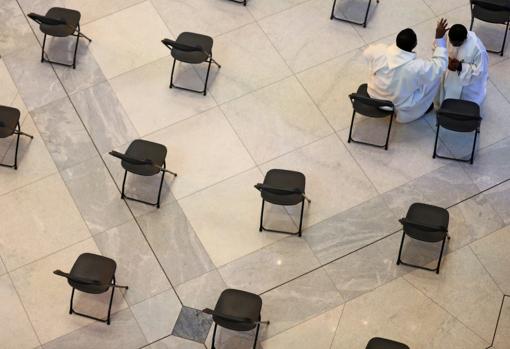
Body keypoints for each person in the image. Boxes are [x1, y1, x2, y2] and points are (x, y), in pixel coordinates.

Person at [363, 19, 449, 123]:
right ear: (414, 45)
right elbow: (440, 66)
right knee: (434, 79)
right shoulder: (416, 67)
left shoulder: (380, 50)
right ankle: (422, 108)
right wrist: (439, 39)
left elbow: (366, 54)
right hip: (397, 104)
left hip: (374, 96)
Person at [439, 24, 489, 106]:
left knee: (463, 104)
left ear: (465, 39)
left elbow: (480, 72)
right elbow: (439, 47)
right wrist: (447, 59)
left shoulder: (478, 49)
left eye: (457, 44)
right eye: (451, 42)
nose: (453, 45)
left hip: (467, 83)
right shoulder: (448, 34)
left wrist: (460, 66)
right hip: (450, 75)